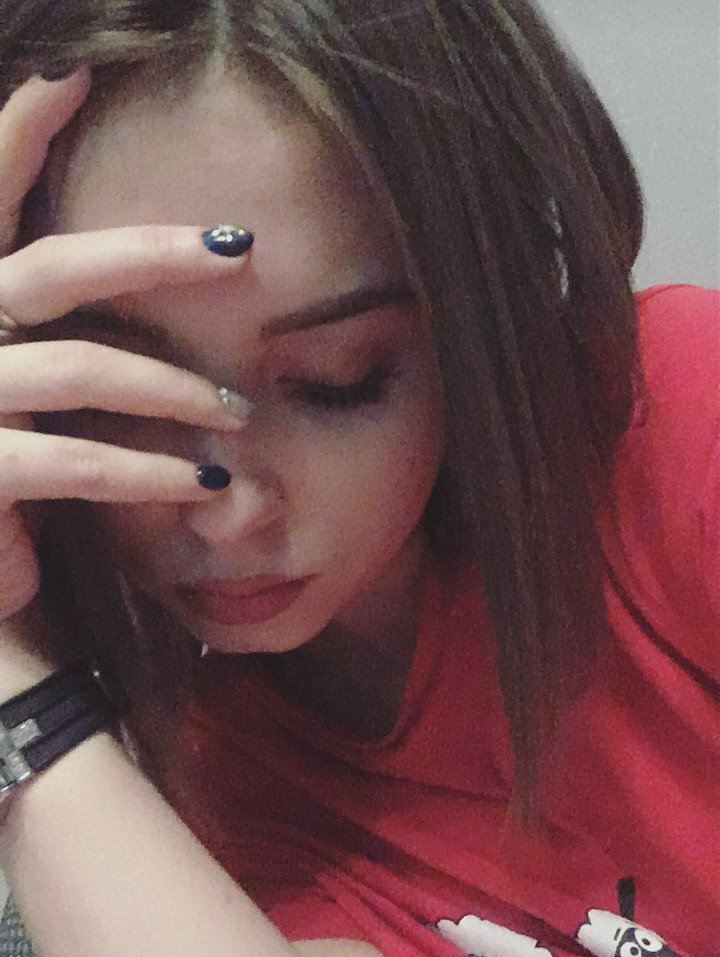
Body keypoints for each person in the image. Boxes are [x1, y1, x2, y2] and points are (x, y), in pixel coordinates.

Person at [0, 1, 716, 955]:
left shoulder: (674, 419)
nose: (228, 515)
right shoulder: (222, 780)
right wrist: (13, 664)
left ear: (477, 319)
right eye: (122, 393)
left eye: (338, 379)